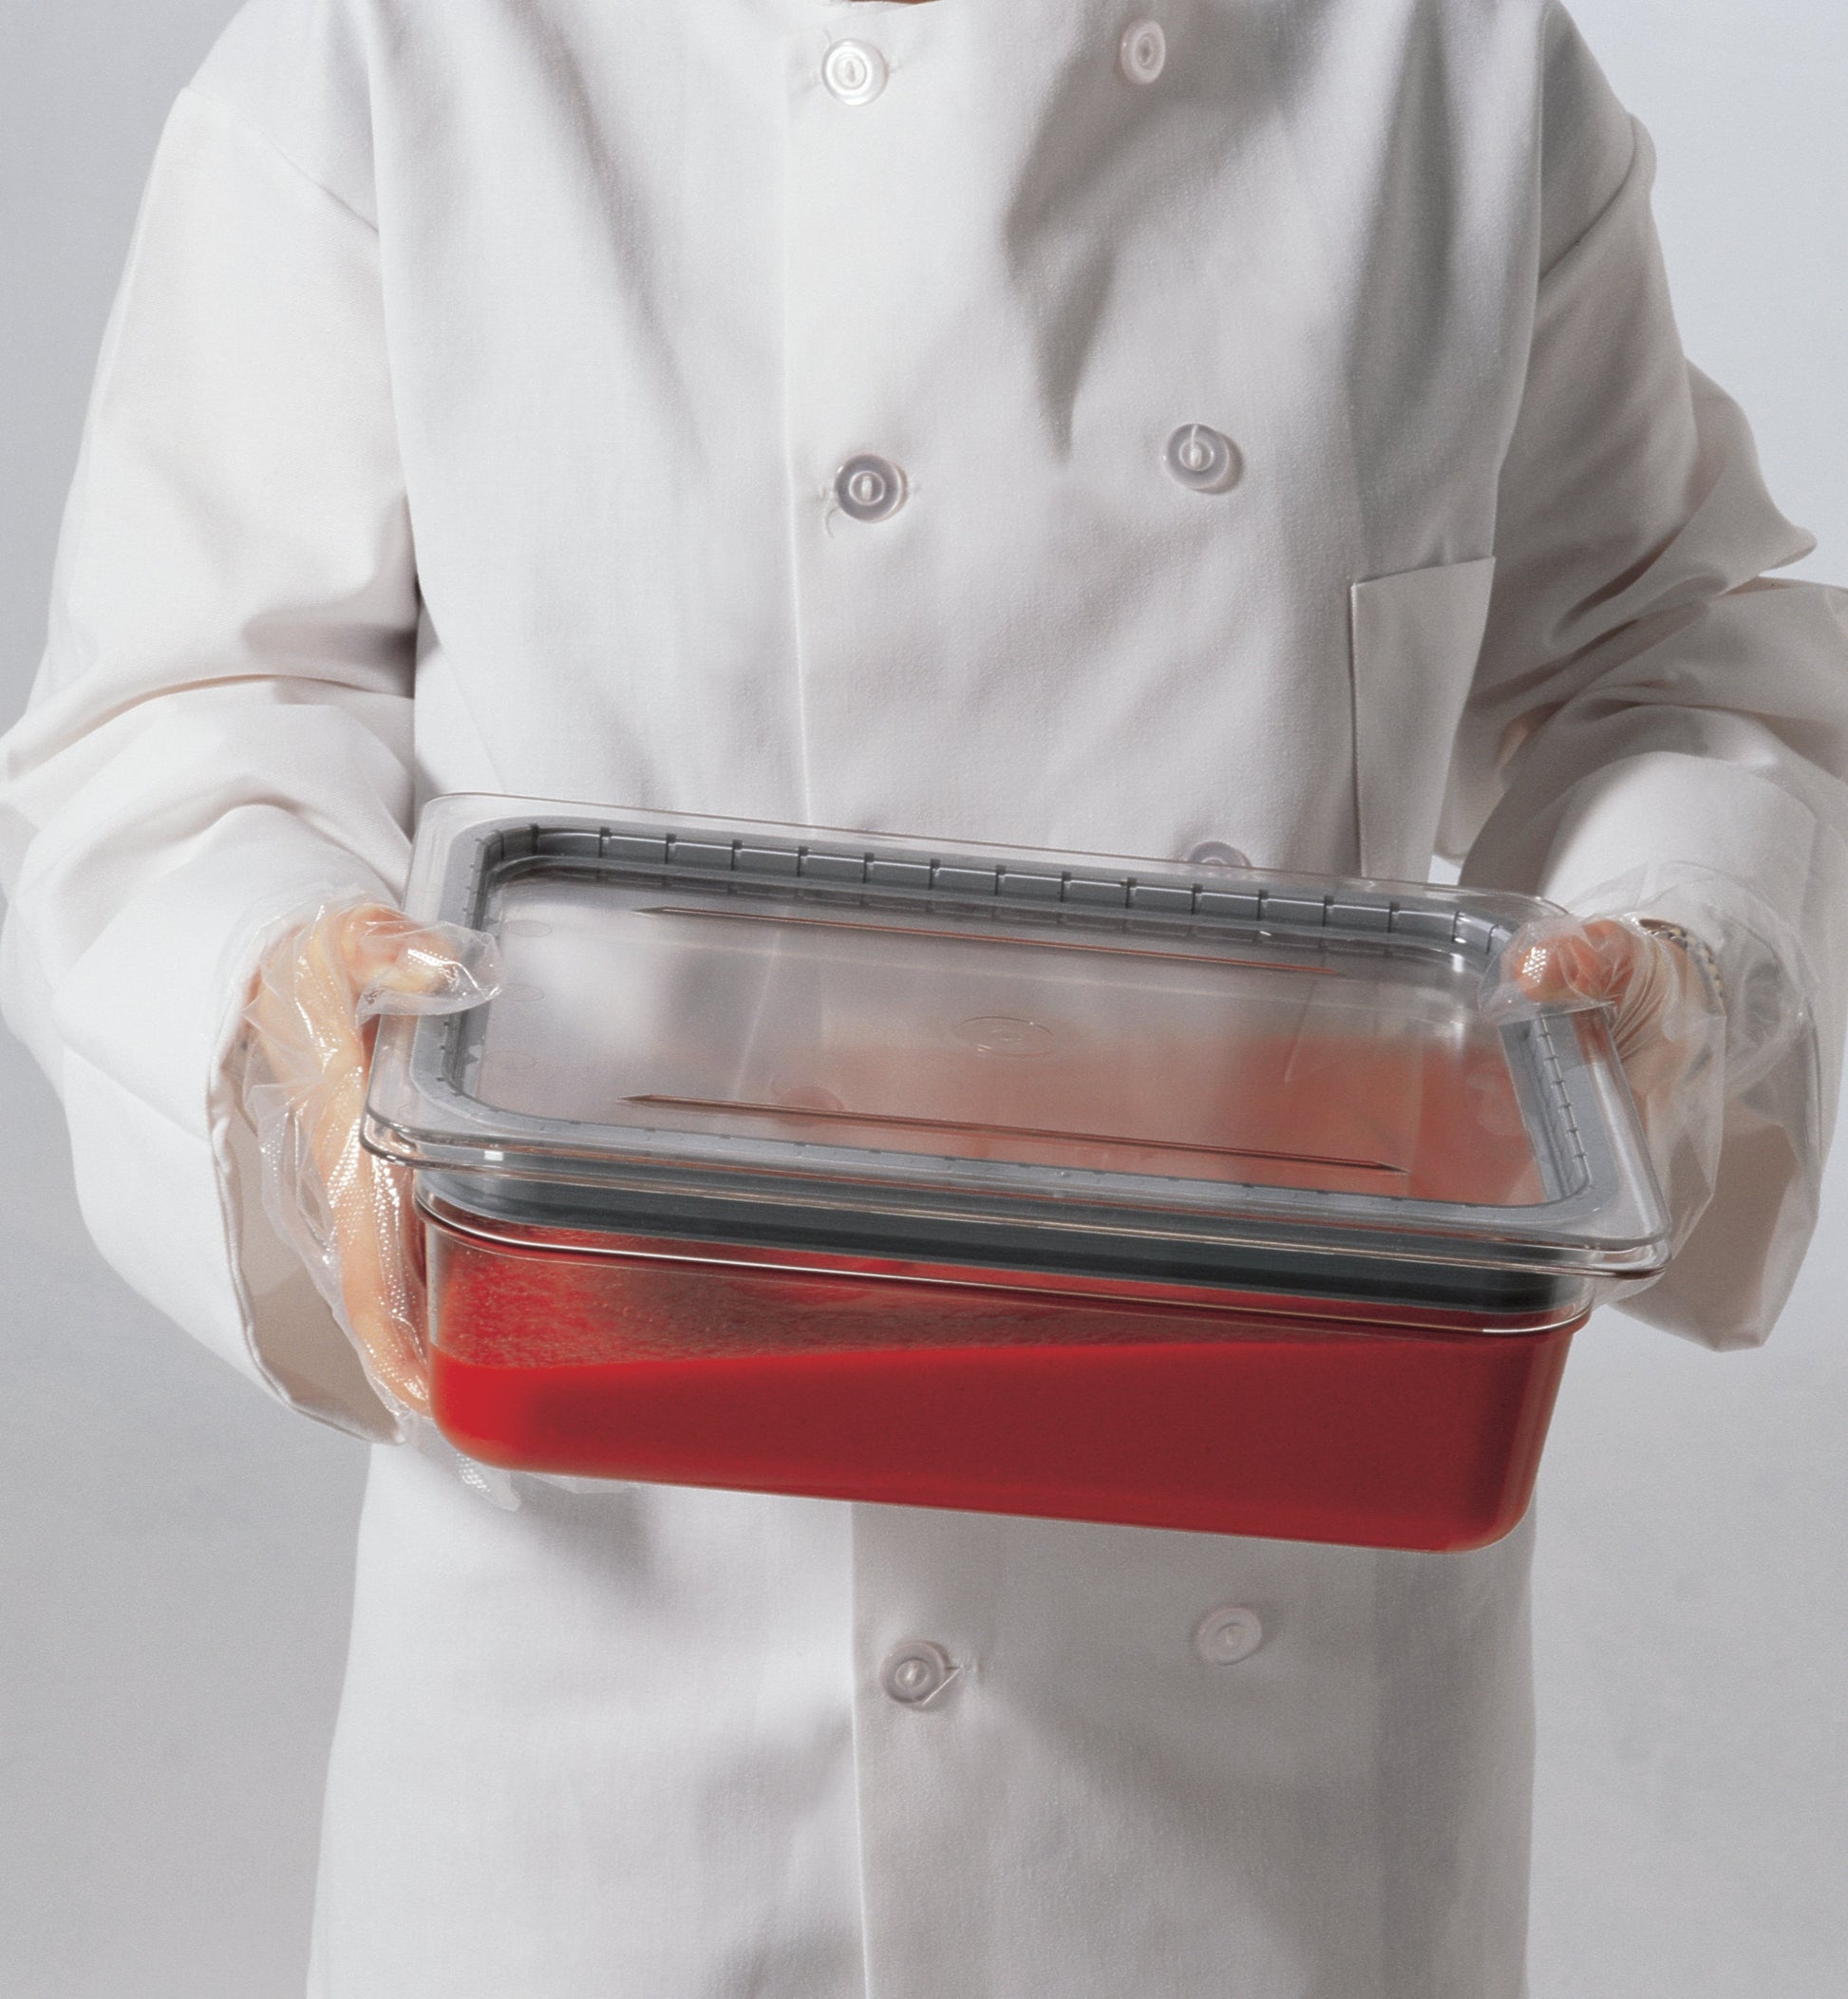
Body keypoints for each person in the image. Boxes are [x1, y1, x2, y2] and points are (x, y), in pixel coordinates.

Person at [3, 0, 1845, 1991]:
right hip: (609, 1714)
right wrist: (277, 995)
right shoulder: (397, 49)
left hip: (1265, 1757)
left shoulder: (1439, 67)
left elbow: (1664, 654)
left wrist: (1681, 944)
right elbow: (183, 716)